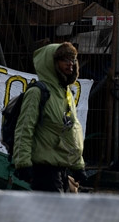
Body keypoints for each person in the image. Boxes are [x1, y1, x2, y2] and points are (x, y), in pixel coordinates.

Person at [12, 42, 87, 193]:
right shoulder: (37, 93)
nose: (70, 64)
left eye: (73, 60)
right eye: (65, 59)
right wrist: (23, 164)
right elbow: (24, 129)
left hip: (62, 170)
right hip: (44, 172)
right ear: (51, 63)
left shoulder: (66, 94)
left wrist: (78, 166)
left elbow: (72, 132)